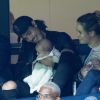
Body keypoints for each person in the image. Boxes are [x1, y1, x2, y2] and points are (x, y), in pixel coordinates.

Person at [2, 16, 82, 98]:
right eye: (25, 38)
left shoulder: (59, 37)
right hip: (34, 85)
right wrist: (34, 64)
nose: (30, 38)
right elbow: (20, 70)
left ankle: (50, 93)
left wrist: (52, 63)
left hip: (57, 83)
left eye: (29, 33)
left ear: (34, 24)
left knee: (66, 59)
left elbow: (70, 61)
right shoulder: (27, 46)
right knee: (9, 86)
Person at [75, 11, 100, 95]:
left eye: (80, 32)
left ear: (91, 33)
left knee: (93, 75)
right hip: (88, 89)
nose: (77, 35)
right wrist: (81, 74)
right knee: (93, 90)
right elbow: (72, 76)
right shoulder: (79, 49)